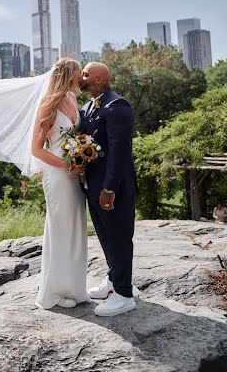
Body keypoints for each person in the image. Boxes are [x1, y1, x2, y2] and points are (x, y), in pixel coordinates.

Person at [79, 62, 137, 317]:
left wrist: (109, 188)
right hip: (93, 186)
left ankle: (124, 294)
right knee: (105, 236)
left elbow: (120, 151)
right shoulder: (90, 106)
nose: (81, 78)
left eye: (85, 74)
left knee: (119, 238)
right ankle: (114, 280)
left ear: (100, 79)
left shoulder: (118, 106)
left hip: (114, 189)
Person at [31, 58, 90, 309]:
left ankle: (75, 288)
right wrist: (67, 165)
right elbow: (36, 149)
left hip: (75, 174)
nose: (82, 79)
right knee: (60, 228)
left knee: (76, 228)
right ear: (69, 75)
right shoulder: (47, 105)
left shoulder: (74, 100)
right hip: (58, 175)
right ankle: (56, 291)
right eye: (79, 74)